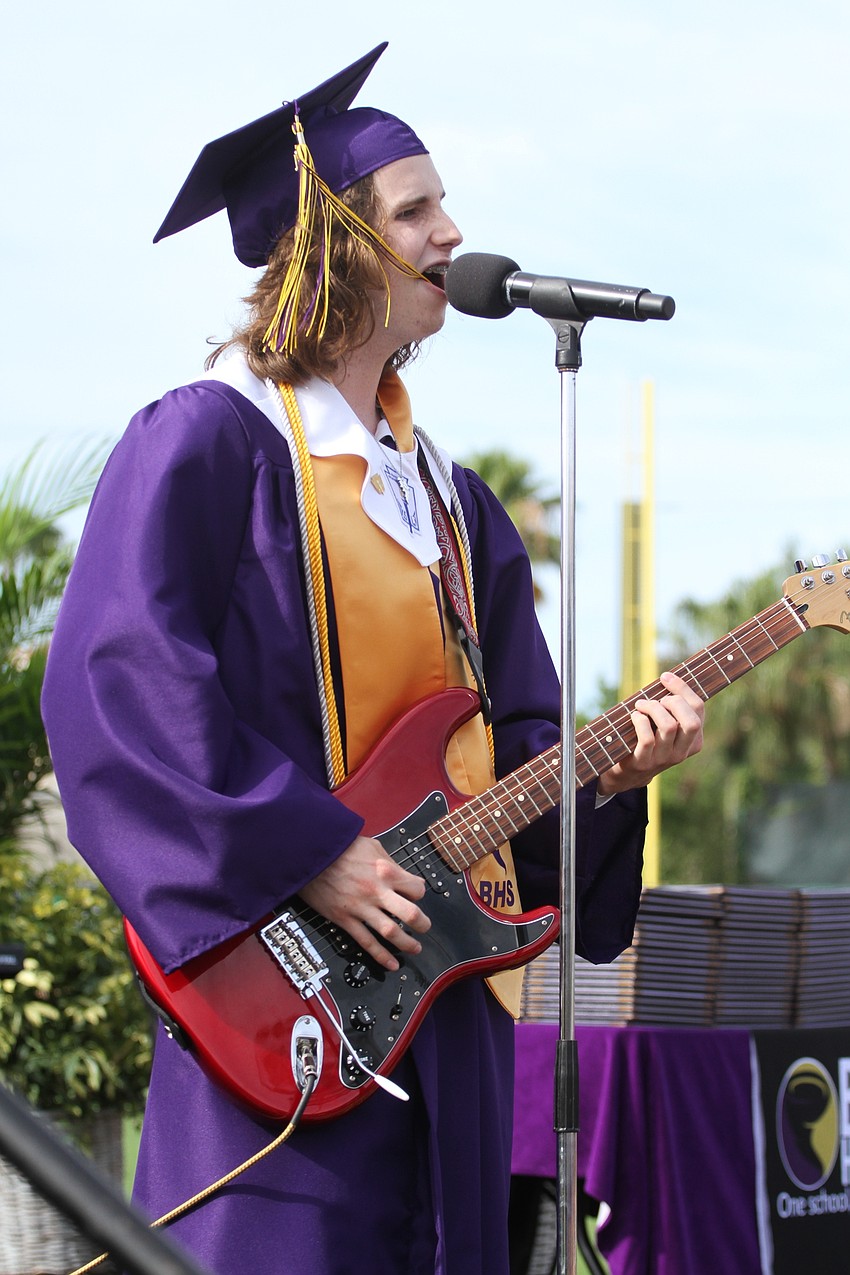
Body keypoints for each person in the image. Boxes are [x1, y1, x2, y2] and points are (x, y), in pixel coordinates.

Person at [41, 43, 704, 1275]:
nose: (454, 232)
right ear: (335, 244)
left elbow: (512, 748)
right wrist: (312, 852)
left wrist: (607, 777)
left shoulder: (450, 503)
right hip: (276, 1001)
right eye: (417, 209)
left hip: (437, 1008)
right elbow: (118, 687)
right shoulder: (211, 444)